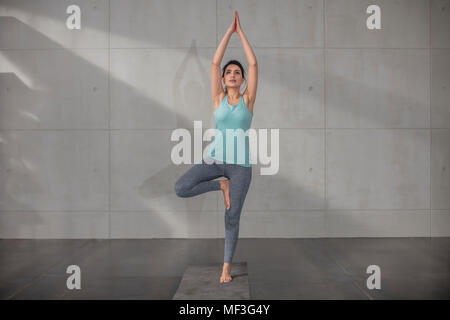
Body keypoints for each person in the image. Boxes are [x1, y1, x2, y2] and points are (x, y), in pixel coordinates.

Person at [174, 10, 258, 284]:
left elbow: (254, 63)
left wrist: (241, 33)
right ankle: (220, 186)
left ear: (243, 80)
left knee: (231, 217)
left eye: (237, 72)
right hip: (215, 160)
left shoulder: (248, 101)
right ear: (223, 79)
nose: (233, 74)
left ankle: (226, 267)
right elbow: (213, 62)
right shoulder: (218, 98)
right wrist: (228, 31)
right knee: (181, 187)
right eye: (229, 72)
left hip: (241, 167)